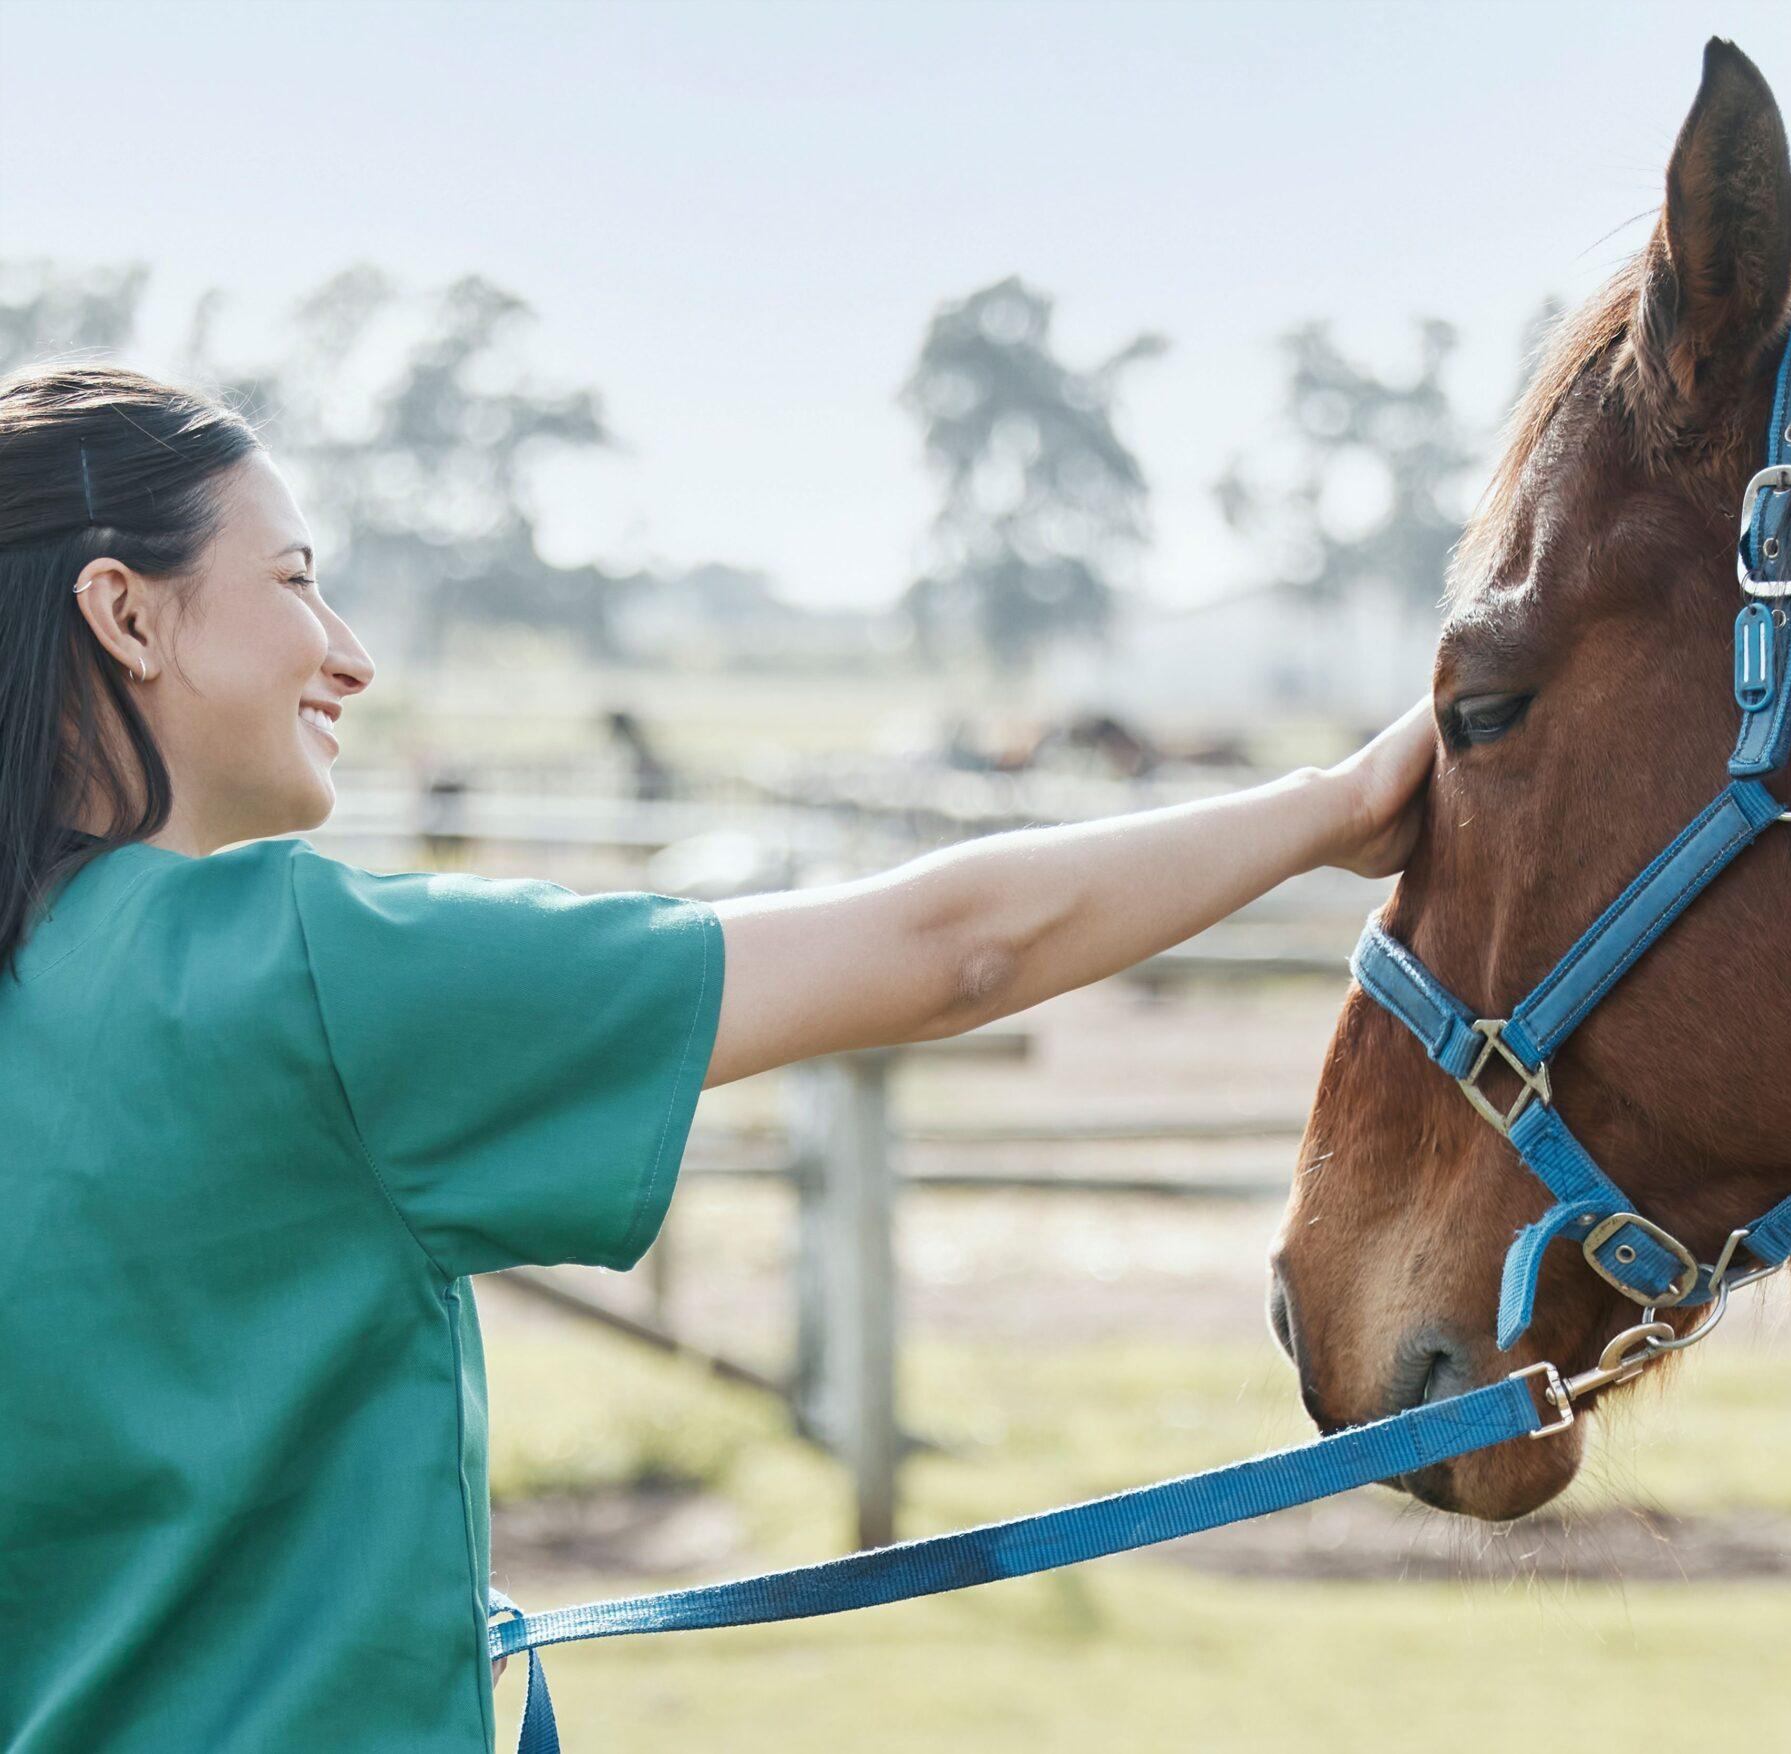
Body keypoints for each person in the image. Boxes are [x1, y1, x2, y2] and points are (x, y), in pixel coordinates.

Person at [0, 363, 1437, 1752]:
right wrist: (1340, 802)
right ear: (125, 614)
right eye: (298, 576)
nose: (352, 650)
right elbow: (955, 948)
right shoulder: (302, 974)